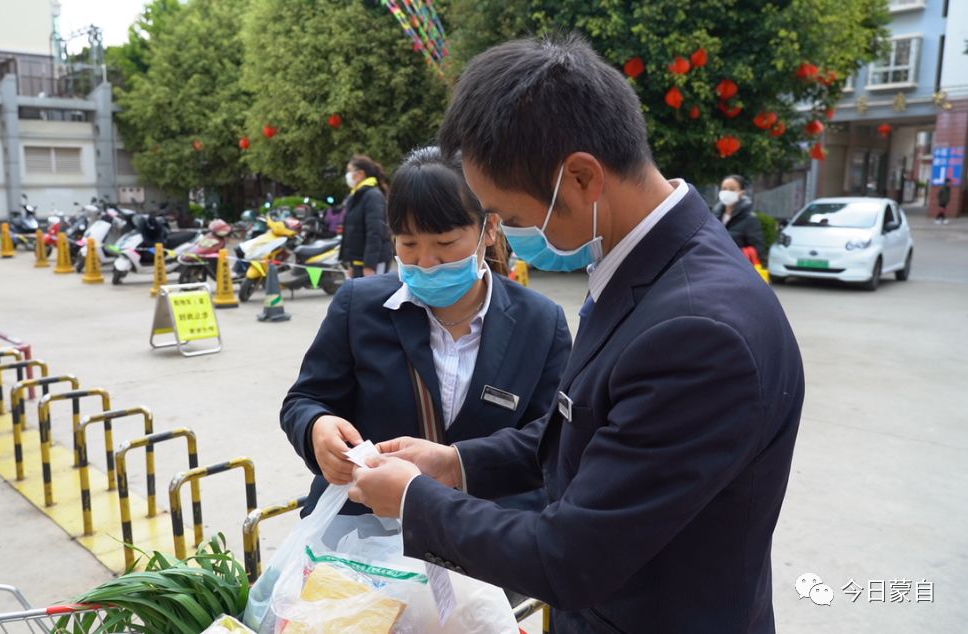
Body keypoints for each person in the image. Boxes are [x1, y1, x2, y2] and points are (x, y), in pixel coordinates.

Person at [349, 34, 805, 633]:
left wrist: (415, 501)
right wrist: (456, 463)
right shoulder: (645, 263)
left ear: (583, 177)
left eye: (512, 217)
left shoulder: (699, 332)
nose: (509, 237)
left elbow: (570, 558)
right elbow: (586, 428)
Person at [281, 146, 572, 517]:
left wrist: (458, 465)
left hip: (483, 531)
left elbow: (553, 438)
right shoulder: (358, 306)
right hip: (365, 528)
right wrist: (316, 428)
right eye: (409, 244)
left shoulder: (540, 323)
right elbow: (305, 399)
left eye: (445, 243)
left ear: (489, 228)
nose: (426, 261)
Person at [341, 155, 393, 277]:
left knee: (374, 289)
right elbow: (353, 232)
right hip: (358, 262)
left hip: (373, 262)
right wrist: (351, 264)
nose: (348, 175)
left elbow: (375, 233)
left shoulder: (372, 196)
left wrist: (370, 266)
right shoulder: (356, 196)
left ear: (360, 174)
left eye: (350, 171)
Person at [712, 174, 766, 263]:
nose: (727, 192)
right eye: (724, 189)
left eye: (732, 189)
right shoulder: (714, 216)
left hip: (736, 266)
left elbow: (758, 250)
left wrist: (733, 254)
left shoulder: (750, 219)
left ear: (742, 193)